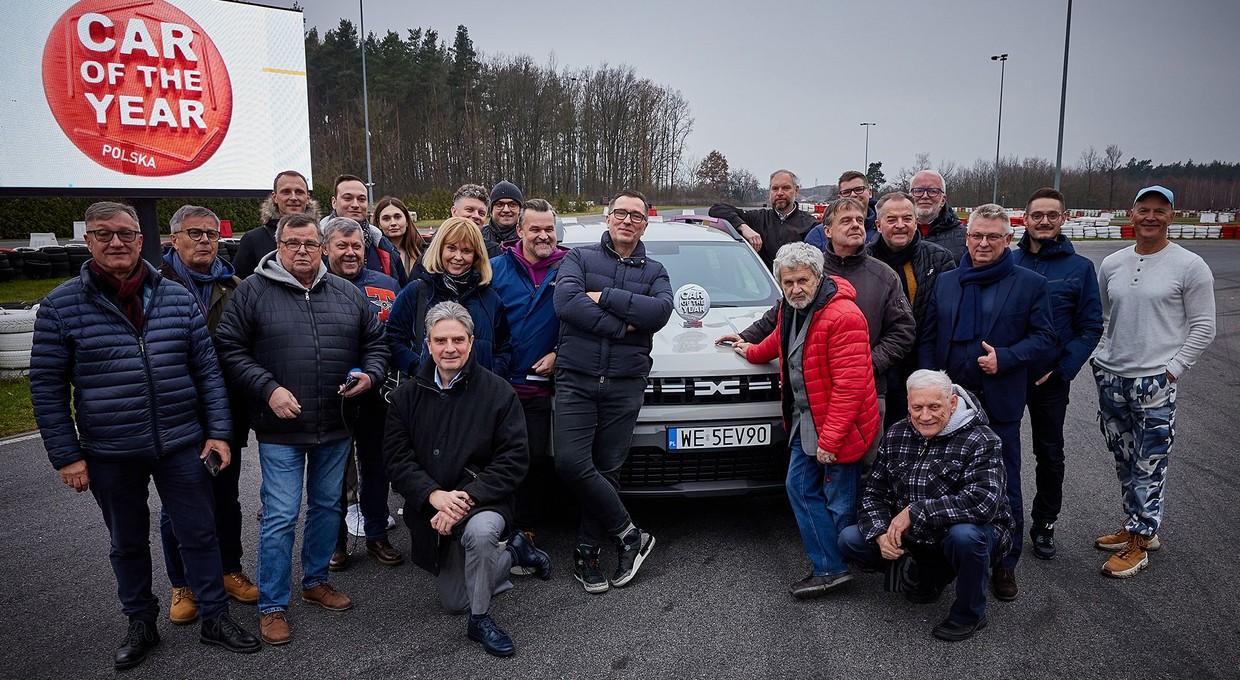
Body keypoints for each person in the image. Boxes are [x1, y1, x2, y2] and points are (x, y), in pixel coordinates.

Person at [31, 202, 261, 670]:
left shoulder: (175, 298)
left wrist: (218, 432)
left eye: (125, 234)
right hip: (109, 451)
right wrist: (66, 456)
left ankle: (215, 618)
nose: (116, 242)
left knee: (200, 533)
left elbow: (208, 373)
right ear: (88, 241)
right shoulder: (61, 305)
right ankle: (140, 622)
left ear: (141, 240)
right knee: (127, 541)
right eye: (103, 234)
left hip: (180, 442)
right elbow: (47, 387)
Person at [215, 212, 389, 645]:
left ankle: (313, 582)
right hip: (281, 428)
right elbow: (230, 348)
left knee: (328, 506)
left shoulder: (347, 293)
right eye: (294, 243)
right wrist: (268, 389)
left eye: (311, 243)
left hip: (335, 423)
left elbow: (376, 345)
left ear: (323, 247)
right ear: (278, 244)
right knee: (280, 515)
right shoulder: (253, 292)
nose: (303, 251)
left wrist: (370, 376)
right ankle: (272, 605)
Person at [383, 302, 551, 657]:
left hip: (483, 500)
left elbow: (513, 459)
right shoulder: (404, 397)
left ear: (471, 342)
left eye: (458, 339)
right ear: (427, 343)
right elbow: (397, 461)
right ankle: (516, 553)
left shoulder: (498, 392)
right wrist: (434, 495)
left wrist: (464, 498)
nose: (450, 348)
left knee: (481, 534)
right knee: (454, 601)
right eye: (440, 340)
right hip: (433, 508)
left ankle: (481, 620)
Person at [918, 203, 1055, 601]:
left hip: (999, 404)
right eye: (977, 235)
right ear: (967, 237)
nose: (983, 243)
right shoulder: (947, 281)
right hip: (950, 406)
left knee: (1005, 483)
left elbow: (1046, 339)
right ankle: (944, 558)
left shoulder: (1029, 284)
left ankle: (1006, 563)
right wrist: (929, 385)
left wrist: (1007, 358)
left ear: (1008, 239)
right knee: (942, 480)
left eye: (993, 236)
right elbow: (929, 337)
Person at [719, 198, 915, 472]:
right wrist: (742, 336)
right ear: (827, 231)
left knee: (860, 475)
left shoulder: (884, 275)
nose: (856, 226)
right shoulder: (810, 271)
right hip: (813, 397)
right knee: (807, 480)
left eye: (860, 220)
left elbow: (903, 332)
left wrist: (866, 364)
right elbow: (781, 315)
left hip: (867, 392)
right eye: (846, 221)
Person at [732, 242, 879, 598]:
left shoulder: (843, 316)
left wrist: (830, 442)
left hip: (840, 424)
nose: (795, 288)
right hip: (809, 418)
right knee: (801, 488)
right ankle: (834, 564)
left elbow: (850, 386)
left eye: (802, 280)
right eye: (788, 282)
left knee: (839, 500)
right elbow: (779, 343)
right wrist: (746, 349)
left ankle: (841, 564)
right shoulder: (792, 308)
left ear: (818, 277)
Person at [1091, 185, 1216, 578]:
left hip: (1154, 382)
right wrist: (1099, 357)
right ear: (1131, 215)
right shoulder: (1112, 263)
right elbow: (1103, 317)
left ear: (1171, 217)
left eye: (1159, 211)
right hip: (1112, 378)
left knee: (1151, 461)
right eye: (1143, 209)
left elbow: (1204, 326)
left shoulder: (1190, 265)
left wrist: (1172, 369)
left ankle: (1142, 540)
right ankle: (1135, 524)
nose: (1150, 216)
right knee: (1124, 458)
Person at [554, 189, 673, 594]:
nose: (627, 220)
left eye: (636, 215)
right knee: (571, 463)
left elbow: (658, 313)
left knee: (607, 468)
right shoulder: (579, 258)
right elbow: (567, 303)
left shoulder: (656, 270)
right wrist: (624, 327)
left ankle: (588, 552)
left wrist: (604, 296)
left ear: (644, 224)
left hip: (625, 383)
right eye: (620, 213)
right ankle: (629, 534)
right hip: (577, 377)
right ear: (608, 218)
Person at [838, 370, 1015, 642]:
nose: (925, 416)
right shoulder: (897, 433)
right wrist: (880, 533)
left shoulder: (983, 439)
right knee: (851, 539)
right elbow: (874, 490)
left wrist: (915, 511)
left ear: (953, 403)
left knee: (964, 537)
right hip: (917, 536)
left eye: (935, 407)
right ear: (908, 403)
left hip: (969, 534)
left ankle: (970, 614)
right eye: (916, 407)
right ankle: (927, 574)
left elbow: (983, 503)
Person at [157, 205, 257, 625]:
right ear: (174, 239)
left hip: (226, 412)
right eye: (194, 233)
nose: (204, 241)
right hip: (174, 414)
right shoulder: (155, 287)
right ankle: (183, 584)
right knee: (177, 505)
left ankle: (228, 568)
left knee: (225, 497)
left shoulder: (234, 285)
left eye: (211, 234)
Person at [1012, 188, 1103, 560]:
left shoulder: (1079, 268)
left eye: (1052, 215)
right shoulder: (1009, 260)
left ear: (1063, 219)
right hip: (1009, 375)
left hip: (1051, 380)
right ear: (1026, 219)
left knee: (1049, 453)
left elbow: (1091, 326)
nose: (1044, 221)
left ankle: (1045, 522)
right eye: (1038, 215)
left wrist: (1063, 369)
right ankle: (1001, 520)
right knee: (998, 451)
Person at [320, 217, 404, 571]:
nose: (351, 253)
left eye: (357, 246)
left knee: (376, 467)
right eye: (342, 245)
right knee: (333, 471)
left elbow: (398, 336)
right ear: (326, 249)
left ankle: (375, 535)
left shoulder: (386, 284)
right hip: (329, 394)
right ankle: (334, 543)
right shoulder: (314, 284)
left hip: (377, 391)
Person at [488, 198, 568, 555]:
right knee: (498, 458)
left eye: (548, 229)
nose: (543, 235)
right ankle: (493, 525)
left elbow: (582, 324)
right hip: (498, 385)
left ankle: (527, 529)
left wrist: (559, 354)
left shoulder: (570, 270)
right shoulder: (493, 270)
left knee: (535, 458)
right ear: (519, 231)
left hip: (539, 389)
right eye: (534, 228)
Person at [866, 192, 957, 426]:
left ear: (916, 222)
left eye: (907, 218)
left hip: (924, 365)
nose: (900, 226)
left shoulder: (939, 259)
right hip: (877, 368)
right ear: (878, 224)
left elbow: (946, 317)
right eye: (891, 219)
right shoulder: (863, 259)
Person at [386, 217, 511, 379]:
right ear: (440, 249)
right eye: (451, 248)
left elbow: (503, 348)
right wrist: (419, 369)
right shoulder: (417, 291)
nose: (458, 257)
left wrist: (492, 376)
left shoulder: (490, 298)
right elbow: (393, 338)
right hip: (428, 393)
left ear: (476, 255)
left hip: (479, 396)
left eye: (466, 251)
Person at [709, 169, 820, 267]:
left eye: (786, 188)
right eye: (775, 189)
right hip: (765, 288)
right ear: (769, 192)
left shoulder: (811, 225)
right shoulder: (757, 218)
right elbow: (717, 209)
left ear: (796, 190)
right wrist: (744, 227)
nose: (780, 193)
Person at [233, 170, 317, 279]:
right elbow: (238, 283)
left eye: (299, 192)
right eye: (286, 192)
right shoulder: (253, 239)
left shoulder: (321, 237)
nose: (293, 197)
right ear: (275, 197)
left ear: (308, 197)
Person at [806, 170, 878, 246]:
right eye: (847, 192)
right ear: (839, 197)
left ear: (870, 192)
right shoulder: (818, 235)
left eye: (859, 189)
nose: (853, 195)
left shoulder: (884, 229)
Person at [909, 170, 967, 264]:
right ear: (910, 197)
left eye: (933, 191)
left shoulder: (963, 236)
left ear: (943, 200)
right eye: (918, 191)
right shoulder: (896, 232)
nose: (925, 196)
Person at [373, 195, 425, 274]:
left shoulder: (423, 252)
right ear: (379, 223)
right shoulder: (371, 256)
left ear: (407, 221)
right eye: (386, 219)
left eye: (397, 217)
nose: (393, 223)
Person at [482, 180, 524, 257]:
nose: (506, 210)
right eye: (499, 204)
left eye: (512, 205)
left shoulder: (528, 238)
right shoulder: (479, 236)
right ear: (491, 210)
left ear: (520, 210)